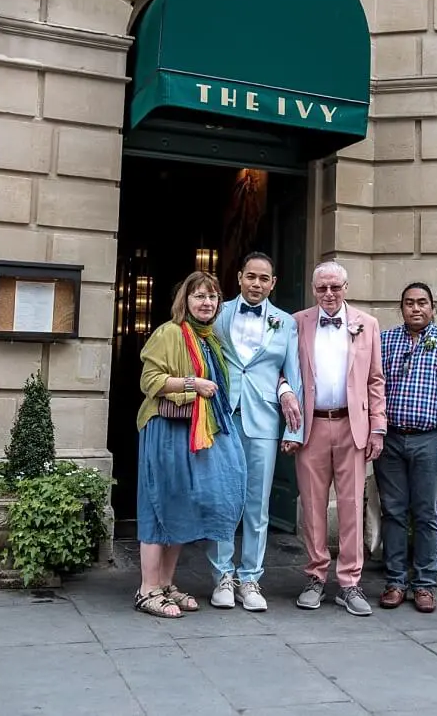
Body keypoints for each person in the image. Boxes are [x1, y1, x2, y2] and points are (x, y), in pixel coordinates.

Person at [133, 271, 246, 618]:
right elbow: (149, 381)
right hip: (165, 429)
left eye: (212, 297)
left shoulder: (210, 339)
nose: (206, 303)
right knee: (157, 503)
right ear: (185, 300)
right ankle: (147, 589)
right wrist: (193, 384)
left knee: (181, 503)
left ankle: (166, 584)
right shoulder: (168, 333)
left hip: (192, 431)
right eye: (199, 296)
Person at [287, 260, 386, 617]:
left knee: (351, 506)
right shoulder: (297, 323)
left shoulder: (367, 324)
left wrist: (377, 427)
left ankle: (349, 582)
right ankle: (315, 576)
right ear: (314, 290)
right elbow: (285, 371)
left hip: (352, 425)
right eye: (321, 288)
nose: (328, 294)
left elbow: (376, 380)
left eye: (335, 287)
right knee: (313, 506)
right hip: (311, 426)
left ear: (346, 287)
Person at [208, 251, 304, 612]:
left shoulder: (286, 322)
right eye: (251, 277)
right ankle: (221, 575)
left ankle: (250, 578)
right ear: (239, 277)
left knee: (257, 504)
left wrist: (295, 430)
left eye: (264, 279)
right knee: (222, 499)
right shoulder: (219, 313)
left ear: (273, 283)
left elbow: (293, 376)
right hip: (221, 415)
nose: (257, 284)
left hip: (264, 419)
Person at [377, 282, 437, 613]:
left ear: (433, 308)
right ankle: (395, 581)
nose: (415, 308)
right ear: (400, 308)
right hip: (389, 438)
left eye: (422, 303)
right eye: (408, 303)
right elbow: (373, 388)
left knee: (427, 513)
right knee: (393, 511)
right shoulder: (385, 341)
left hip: (429, 439)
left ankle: (424, 584)